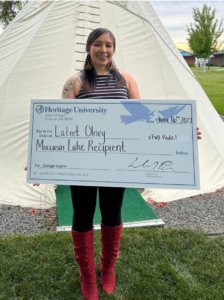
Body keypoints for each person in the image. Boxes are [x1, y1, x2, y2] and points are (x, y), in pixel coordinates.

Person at [26, 27, 202, 300]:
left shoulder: (126, 80)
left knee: (112, 214)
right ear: (88, 48)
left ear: (113, 49)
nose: (104, 50)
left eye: (109, 45)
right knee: (82, 217)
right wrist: (40, 158)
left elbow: (144, 122)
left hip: (116, 166)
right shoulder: (75, 83)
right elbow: (59, 127)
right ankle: (87, 276)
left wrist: (182, 132)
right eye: (98, 44)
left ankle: (107, 268)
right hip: (83, 167)